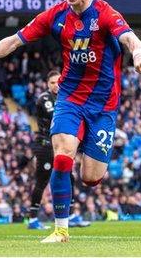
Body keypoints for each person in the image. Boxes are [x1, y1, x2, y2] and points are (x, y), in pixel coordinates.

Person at [0, 0, 141, 243]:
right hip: (70, 98)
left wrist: (139, 52)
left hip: (103, 106)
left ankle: (89, 154)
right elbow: (16, 39)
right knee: (62, 155)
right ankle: (60, 230)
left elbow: (130, 37)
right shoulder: (56, 15)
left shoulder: (105, 14)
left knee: (91, 178)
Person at [27, 70, 90, 230]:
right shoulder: (45, 99)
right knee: (42, 180)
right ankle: (32, 219)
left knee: (69, 177)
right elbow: (57, 116)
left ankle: (71, 215)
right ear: (47, 84)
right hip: (46, 145)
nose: (56, 85)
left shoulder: (66, 98)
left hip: (61, 145)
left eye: (58, 82)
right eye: (52, 83)